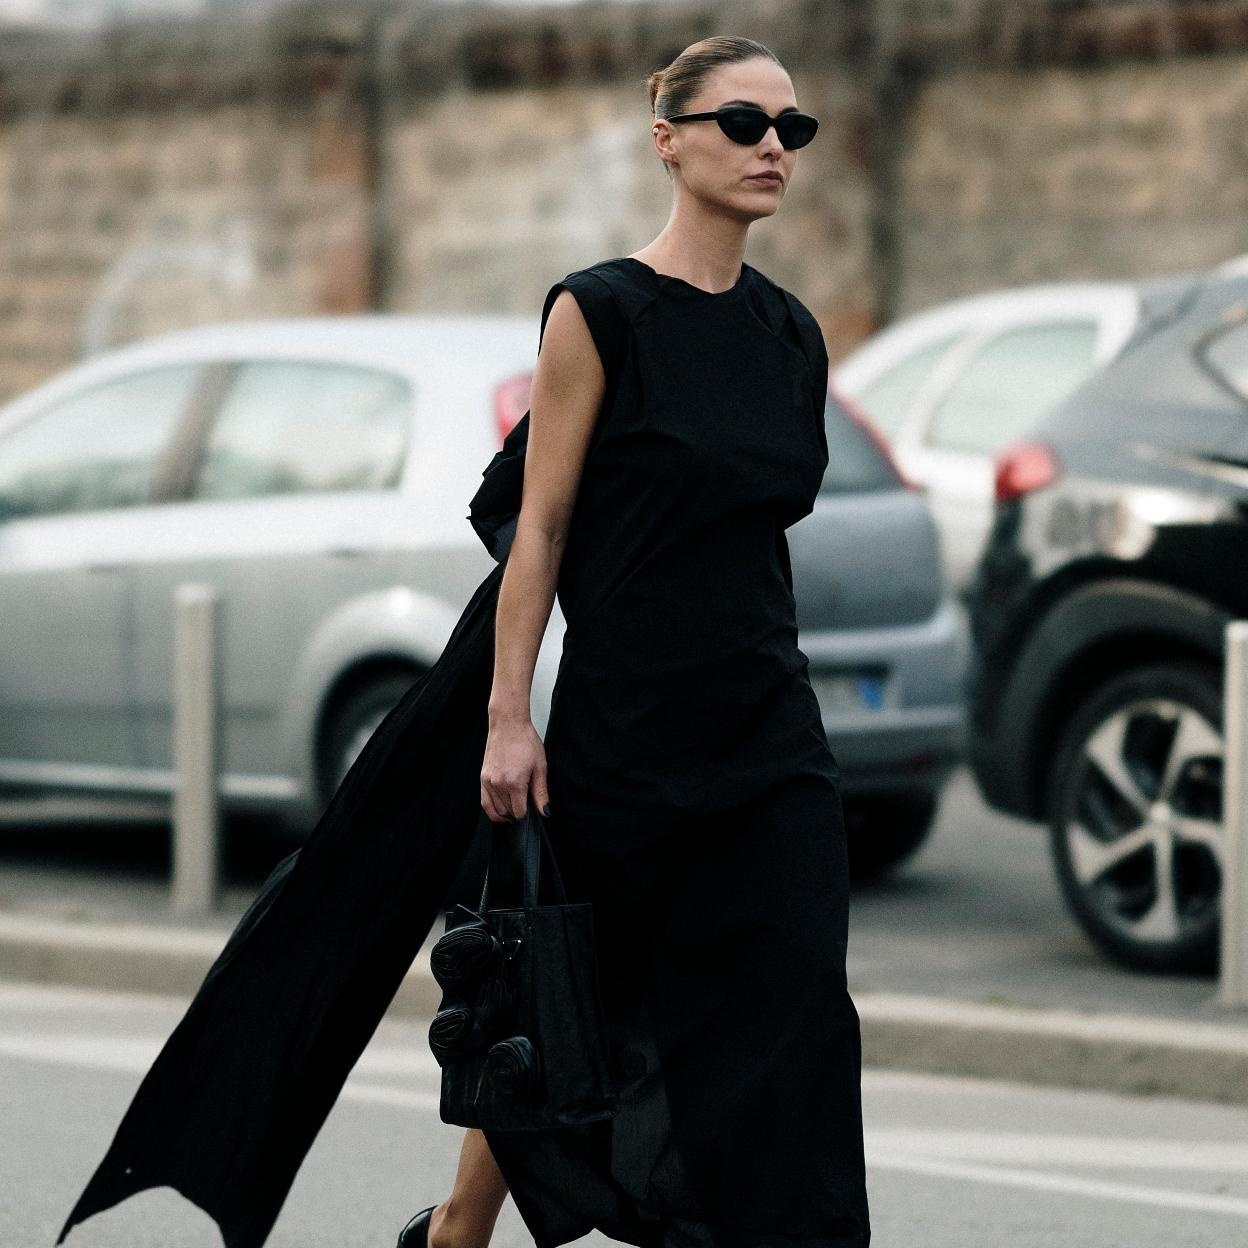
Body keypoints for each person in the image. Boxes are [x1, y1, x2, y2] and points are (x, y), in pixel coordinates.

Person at [55, 33, 870, 1248]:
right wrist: (506, 715)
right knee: (568, 1001)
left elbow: (756, 534)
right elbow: (537, 529)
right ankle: (457, 1232)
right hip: (627, 735)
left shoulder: (791, 335)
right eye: (744, 124)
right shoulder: (600, 315)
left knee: (798, 1012)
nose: (771, 149)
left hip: (767, 731)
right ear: (669, 140)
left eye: (790, 130)